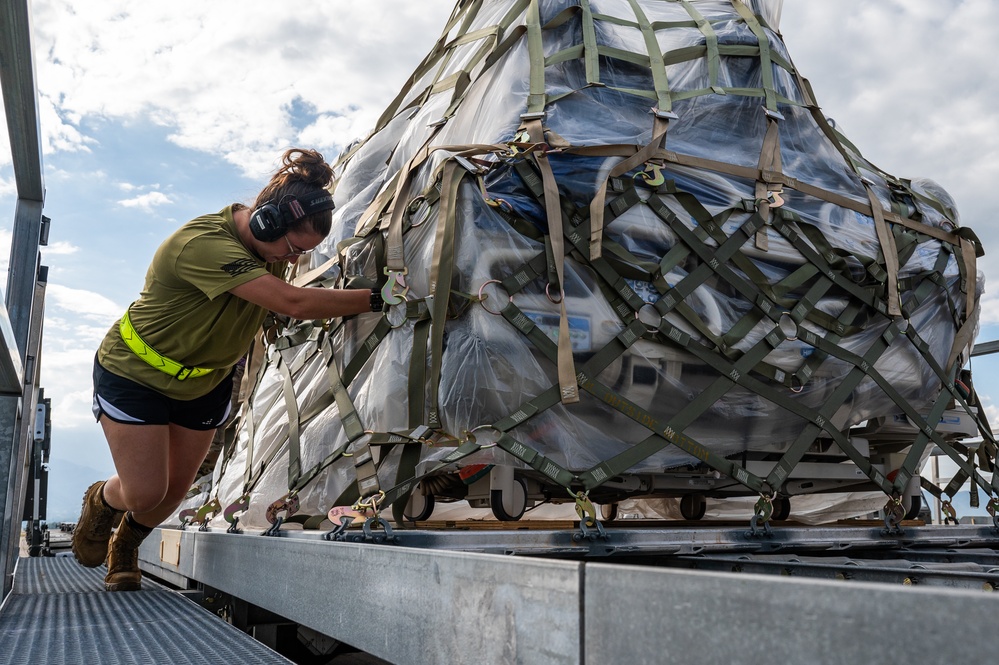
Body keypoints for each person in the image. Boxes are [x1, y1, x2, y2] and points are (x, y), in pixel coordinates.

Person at [71, 148, 380, 591]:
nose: (292, 262)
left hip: (204, 382)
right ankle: (103, 499)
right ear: (265, 221)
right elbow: (293, 303)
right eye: (293, 249)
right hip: (136, 372)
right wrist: (378, 296)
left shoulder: (269, 246)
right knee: (144, 492)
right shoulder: (201, 245)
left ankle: (126, 545)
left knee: (174, 490)